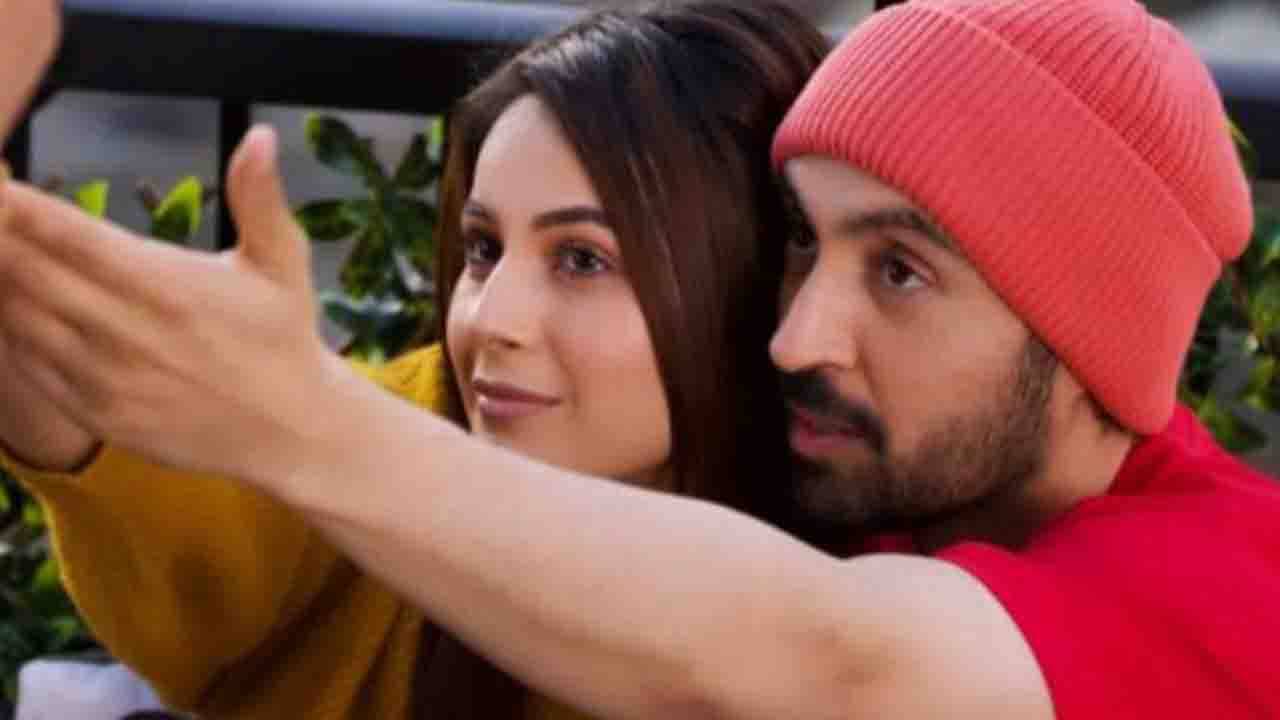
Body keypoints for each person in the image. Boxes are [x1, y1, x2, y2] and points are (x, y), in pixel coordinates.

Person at [3, 0, 1278, 718]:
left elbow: (840, 665)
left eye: (898, 271)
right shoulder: (853, 474)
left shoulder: (1224, 588)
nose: (794, 333)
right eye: (800, 243)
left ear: (1081, 337)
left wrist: (299, 421)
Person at [0, 1, 827, 717]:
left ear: (755, 281)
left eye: (582, 259)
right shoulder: (409, 416)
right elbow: (122, 443)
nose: (490, 319)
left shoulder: (859, 572)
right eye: (482, 248)